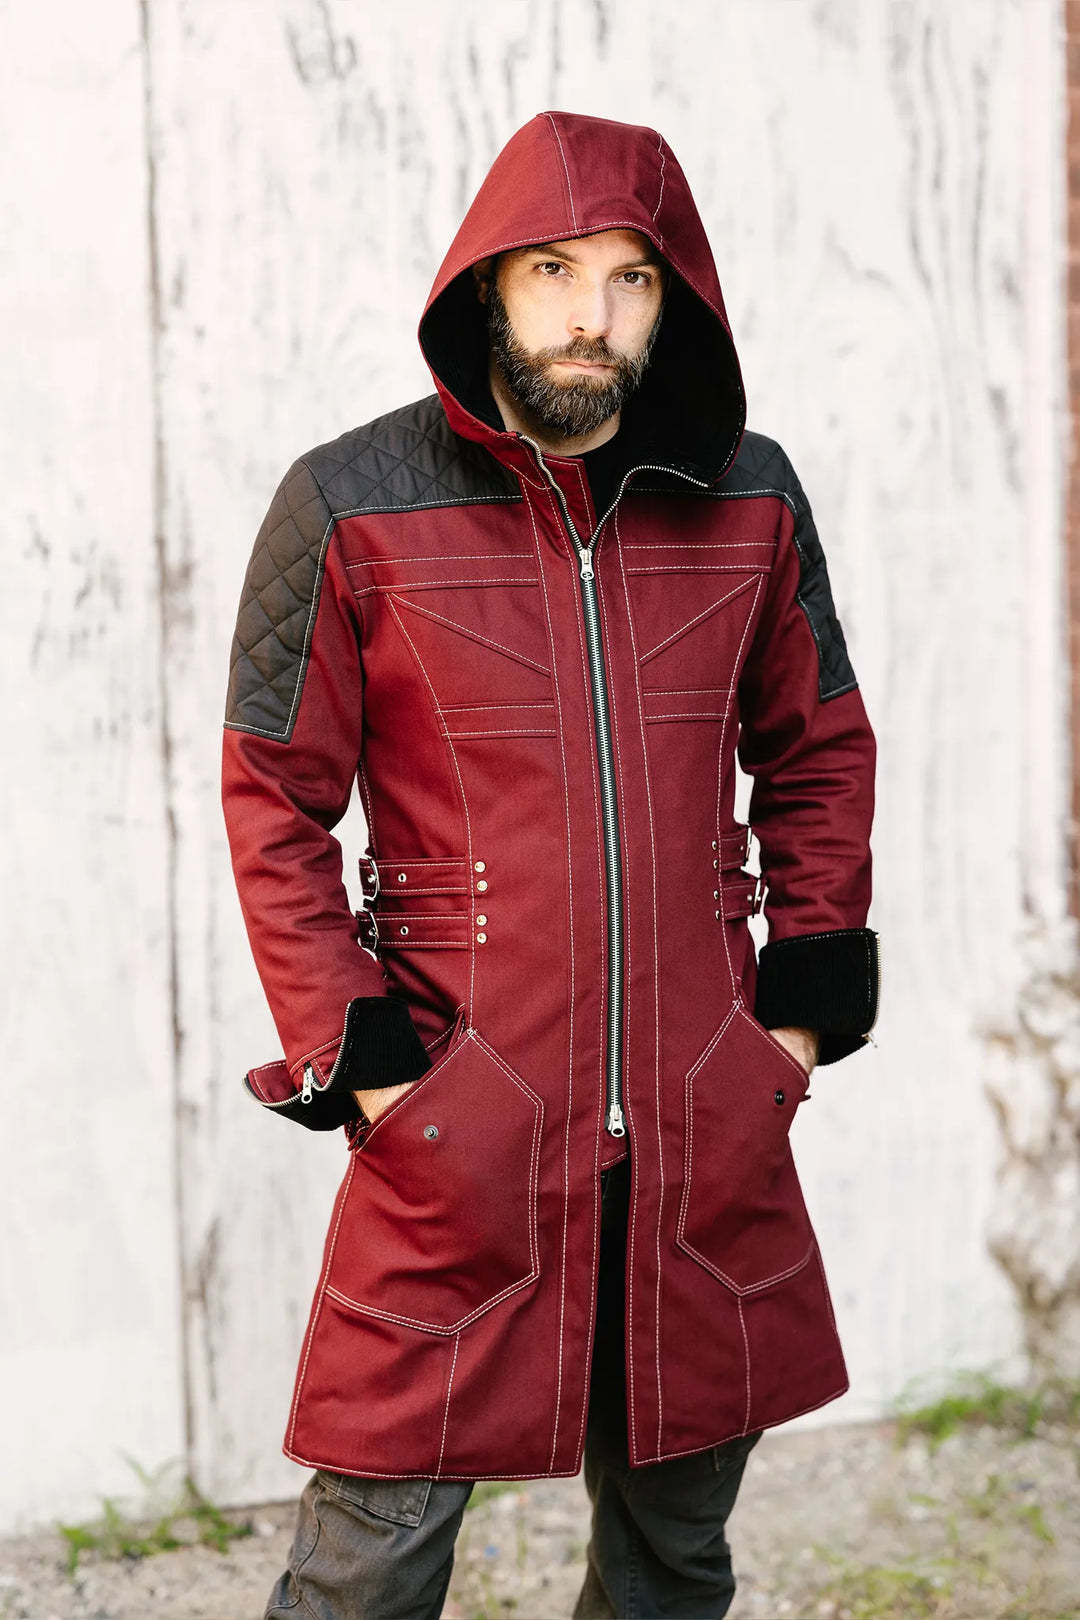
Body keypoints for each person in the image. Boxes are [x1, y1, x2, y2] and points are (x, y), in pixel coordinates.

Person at [221, 109, 879, 1620]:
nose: (593, 315)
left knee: (675, 1556)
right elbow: (274, 800)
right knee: (369, 1563)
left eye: (631, 277)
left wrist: (792, 1020)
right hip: (463, 1117)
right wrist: (369, 1066)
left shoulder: (751, 492)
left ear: (674, 296)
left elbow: (821, 753)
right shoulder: (348, 502)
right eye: (555, 270)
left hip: (701, 1119)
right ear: (488, 284)